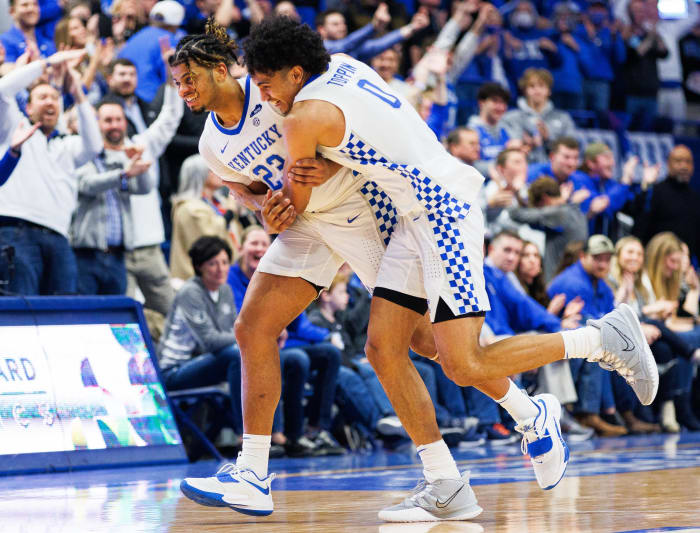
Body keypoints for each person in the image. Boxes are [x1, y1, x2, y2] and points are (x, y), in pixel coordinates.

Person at [239, 16, 658, 521]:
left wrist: (262, 195)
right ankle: (447, 482)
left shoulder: (302, 116)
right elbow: (366, 142)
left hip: (443, 215)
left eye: (266, 85)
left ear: (295, 72)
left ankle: (599, 341)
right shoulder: (346, 67)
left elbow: (298, 205)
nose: (263, 98)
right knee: (385, 347)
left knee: (463, 363)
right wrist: (320, 164)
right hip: (410, 221)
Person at [0, 49, 103, 296]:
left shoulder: (67, 145)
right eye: (42, 97)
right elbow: (3, 91)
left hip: (59, 236)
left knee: (62, 318)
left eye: (55, 98)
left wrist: (77, 92)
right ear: (28, 107)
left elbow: (95, 145)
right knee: (21, 314)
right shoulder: (13, 128)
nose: (50, 102)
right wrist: (44, 64)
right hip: (15, 230)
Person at [158, 236, 245, 447]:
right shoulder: (191, 292)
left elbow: (229, 332)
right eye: (213, 263)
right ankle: (244, 433)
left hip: (202, 363)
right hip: (173, 371)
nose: (220, 269)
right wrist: (250, 334)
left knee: (258, 355)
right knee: (236, 354)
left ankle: (274, 434)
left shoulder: (224, 290)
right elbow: (211, 341)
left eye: (224, 262)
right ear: (199, 266)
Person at [608, 236, 695, 432]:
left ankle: (665, 406)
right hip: (619, 338)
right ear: (619, 255)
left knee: (665, 349)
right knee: (674, 337)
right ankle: (691, 355)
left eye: (639, 253)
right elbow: (612, 315)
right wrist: (645, 318)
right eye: (630, 252)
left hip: (637, 337)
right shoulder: (610, 280)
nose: (635, 257)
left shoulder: (637, 285)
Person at [70, 97, 156, 295]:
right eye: (108, 120)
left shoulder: (125, 155)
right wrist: (124, 174)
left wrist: (138, 162)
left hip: (118, 255)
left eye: (118, 119)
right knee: (86, 316)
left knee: (116, 317)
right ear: (96, 124)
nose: (114, 125)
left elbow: (145, 188)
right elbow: (86, 184)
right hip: (87, 254)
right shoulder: (83, 153)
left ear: (125, 123)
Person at [169, 154, 237, 283]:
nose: (218, 172)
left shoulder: (219, 202)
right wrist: (231, 212)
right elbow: (209, 241)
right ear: (198, 175)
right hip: (196, 279)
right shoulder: (188, 208)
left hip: (227, 272)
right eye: (212, 169)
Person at [633, 145, 700, 263]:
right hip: (656, 263)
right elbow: (638, 226)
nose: (684, 166)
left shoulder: (696, 198)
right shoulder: (654, 193)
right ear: (668, 164)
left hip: (686, 265)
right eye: (678, 161)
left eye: (688, 162)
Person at [501, 68, 576, 164]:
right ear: (525, 90)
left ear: (549, 91)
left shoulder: (563, 118)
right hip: (523, 167)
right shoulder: (510, 118)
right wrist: (524, 143)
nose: (537, 90)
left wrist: (548, 138)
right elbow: (506, 146)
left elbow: (572, 147)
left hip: (555, 170)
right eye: (532, 86)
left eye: (541, 86)